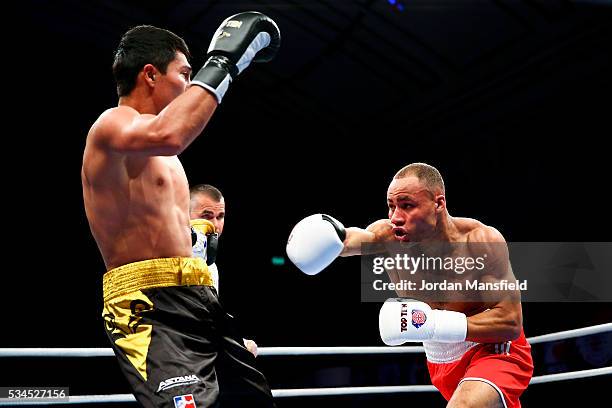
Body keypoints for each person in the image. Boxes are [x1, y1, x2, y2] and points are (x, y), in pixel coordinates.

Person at [82, 13, 280, 408]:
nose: (190, 85)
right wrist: (225, 61)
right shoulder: (113, 126)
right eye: (184, 73)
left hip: (198, 297)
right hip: (149, 306)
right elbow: (170, 134)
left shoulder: (161, 152)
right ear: (151, 74)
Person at [286, 163, 534, 408]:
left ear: (438, 203)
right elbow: (353, 238)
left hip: (494, 349)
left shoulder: (480, 241)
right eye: (391, 206)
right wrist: (328, 237)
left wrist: (432, 324)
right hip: (440, 360)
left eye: (407, 206)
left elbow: (510, 322)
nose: (395, 217)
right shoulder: (387, 237)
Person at [189, 183, 258, 357]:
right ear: (184, 215)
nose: (215, 226)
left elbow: (208, 317)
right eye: (207, 216)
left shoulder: (211, 266)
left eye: (220, 216)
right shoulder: (166, 256)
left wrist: (236, 341)